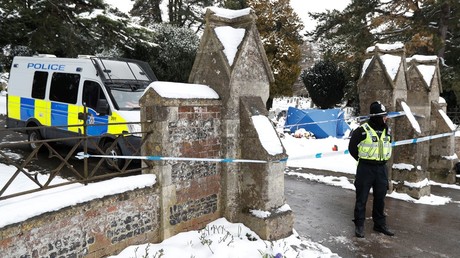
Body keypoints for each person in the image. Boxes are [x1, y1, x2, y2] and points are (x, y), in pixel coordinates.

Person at [348, 101, 394, 238]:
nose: (386, 118)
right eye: (384, 115)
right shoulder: (362, 130)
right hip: (366, 169)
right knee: (361, 198)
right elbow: (352, 148)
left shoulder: (387, 130)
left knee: (380, 198)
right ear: (376, 116)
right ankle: (359, 225)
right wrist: (364, 161)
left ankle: (379, 224)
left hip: (381, 169)